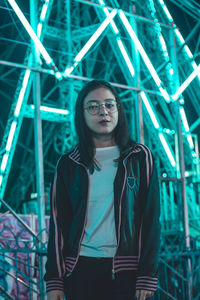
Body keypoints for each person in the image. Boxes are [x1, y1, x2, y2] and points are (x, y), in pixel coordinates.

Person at [44, 80, 161, 300]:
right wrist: (54, 280)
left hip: (127, 273)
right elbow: (59, 225)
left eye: (109, 104)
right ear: (82, 113)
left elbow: (151, 218)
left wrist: (147, 274)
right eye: (93, 106)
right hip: (80, 271)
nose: (103, 112)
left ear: (118, 109)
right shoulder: (69, 164)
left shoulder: (139, 157)